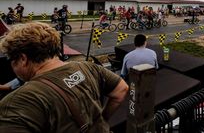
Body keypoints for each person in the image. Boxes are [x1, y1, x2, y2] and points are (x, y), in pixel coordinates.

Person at [0, 22, 128, 132]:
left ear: (23, 59)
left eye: (11, 59)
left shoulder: (16, 103)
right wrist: (102, 119)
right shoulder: (89, 67)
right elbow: (121, 89)